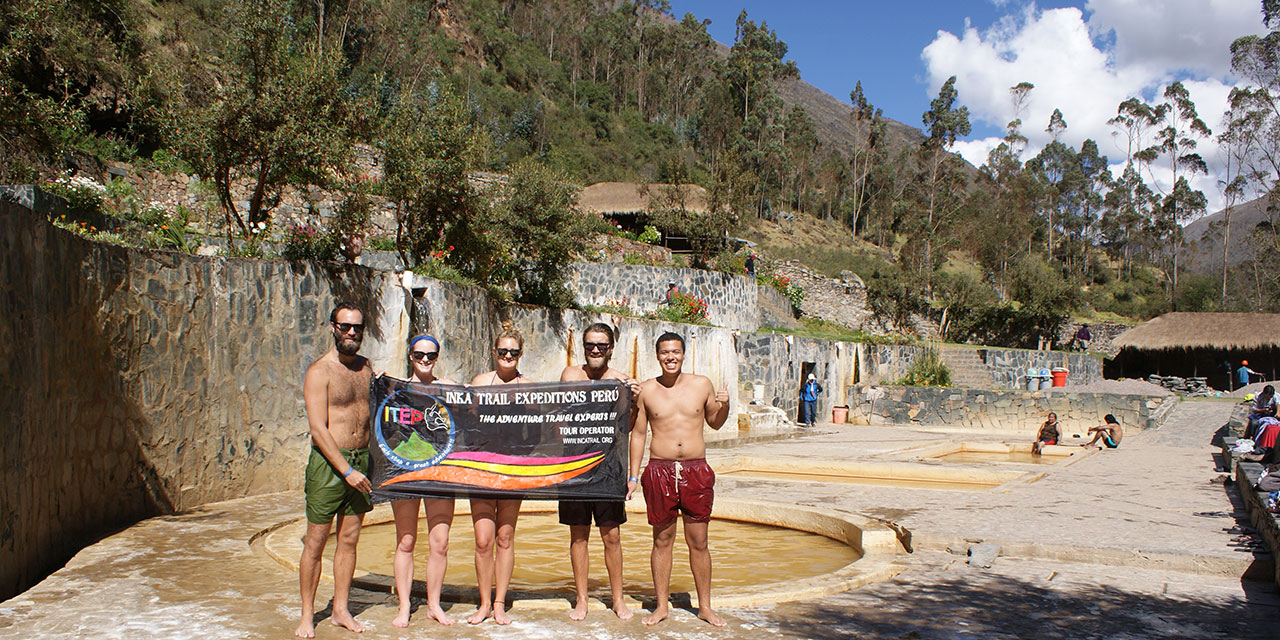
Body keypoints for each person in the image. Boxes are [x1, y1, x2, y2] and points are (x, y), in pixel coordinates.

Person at [627, 331, 730, 627]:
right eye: (664, 352)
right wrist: (634, 476)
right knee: (662, 540)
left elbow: (715, 422)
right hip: (659, 469)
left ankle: (705, 607)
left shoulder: (701, 384)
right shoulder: (647, 390)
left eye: (675, 352)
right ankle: (661, 606)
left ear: (683, 354)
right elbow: (638, 434)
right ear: (657, 356)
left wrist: (725, 404)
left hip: (696, 470)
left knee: (699, 541)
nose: (670, 357)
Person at [296, 303, 374, 638]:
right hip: (331, 466)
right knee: (315, 541)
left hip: (361, 462)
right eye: (345, 327)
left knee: (350, 538)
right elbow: (318, 429)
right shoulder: (319, 371)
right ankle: (306, 616)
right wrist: (346, 471)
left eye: (357, 327)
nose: (352, 333)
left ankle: (340, 609)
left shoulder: (367, 368)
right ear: (332, 327)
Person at [559, 323, 640, 621]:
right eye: (590, 345)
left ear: (610, 349)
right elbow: (560, 417)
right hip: (574, 466)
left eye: (601, 345)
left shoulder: (622, 381)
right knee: (578, 535)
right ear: (583, 347)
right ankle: (581, 599)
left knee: (612, 536)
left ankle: (618, 599)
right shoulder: (570, 375)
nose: (595, 350)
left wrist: (633, 402)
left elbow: (628, 428)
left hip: (608, 467)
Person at [391, 335, 459, 628]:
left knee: (440, 543)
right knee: (406, 541)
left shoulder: (450, 389)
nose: (425, 360)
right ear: (410, 355)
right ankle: (404, 605)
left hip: (441, 474)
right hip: (406, 472)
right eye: (419, 355)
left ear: (437, 357)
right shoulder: (395, 390)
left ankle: (434, 604)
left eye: (431, 355)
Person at [466, 329, 530, 625]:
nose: (507, 357)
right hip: (481, 468)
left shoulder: (529, 388)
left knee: (505, 536)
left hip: (512, 471)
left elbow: (538, 433)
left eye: (513, 352)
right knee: (483, 540)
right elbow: (467, 423)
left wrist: (522, 463)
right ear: (494, 351)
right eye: (503, 351)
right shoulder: (480, 383)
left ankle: (500, 603)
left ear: (520, 355)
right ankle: (483, 603)